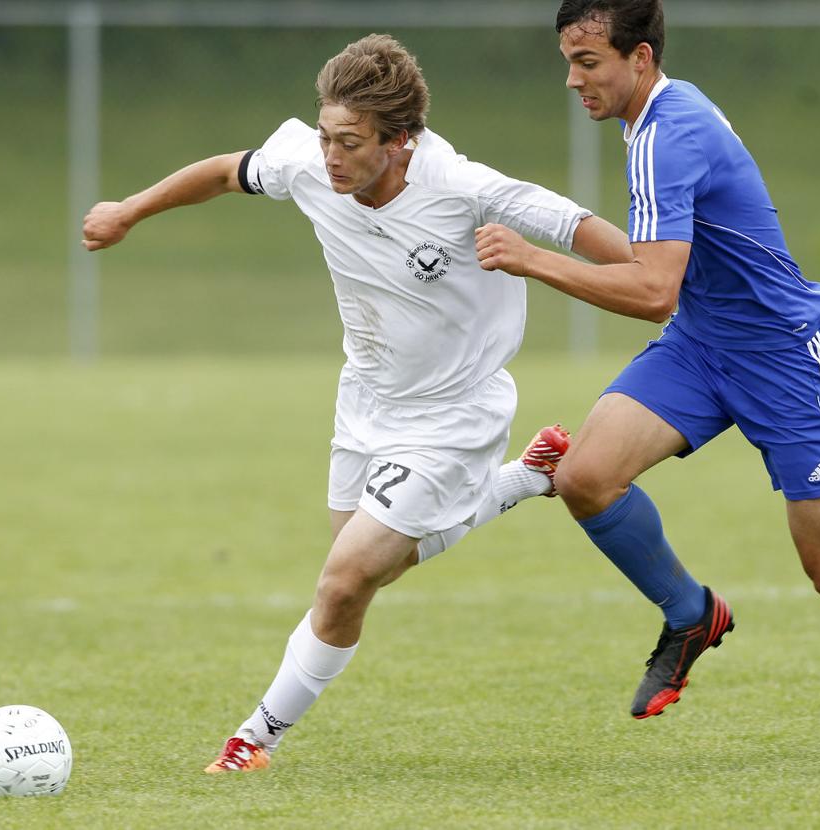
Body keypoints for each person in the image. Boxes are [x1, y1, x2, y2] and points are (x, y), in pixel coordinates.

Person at [82, 33, 633, 772]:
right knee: (378, 564)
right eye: (325, 136)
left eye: (350, 142)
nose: (330, 156)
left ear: (400, 141)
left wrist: (652, 272)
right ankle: (525, 478)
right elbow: (222, 172)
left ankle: (254, 738)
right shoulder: (309, 163)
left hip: (453, 415)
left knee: (343, 583)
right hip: (365, 398)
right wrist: (128, 210)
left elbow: (589, 233)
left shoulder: (465, 188)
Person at [474, 0, 820, 755]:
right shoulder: (652, 123)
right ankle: (691, 615)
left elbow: (652, 292)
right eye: (568, 63)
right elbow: (665, 280)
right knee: (585, 477)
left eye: (588, 63)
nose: (574, 80)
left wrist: (533, 257)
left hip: (785, 359)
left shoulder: (666, 136)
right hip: (703, 345)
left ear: (639, 59)